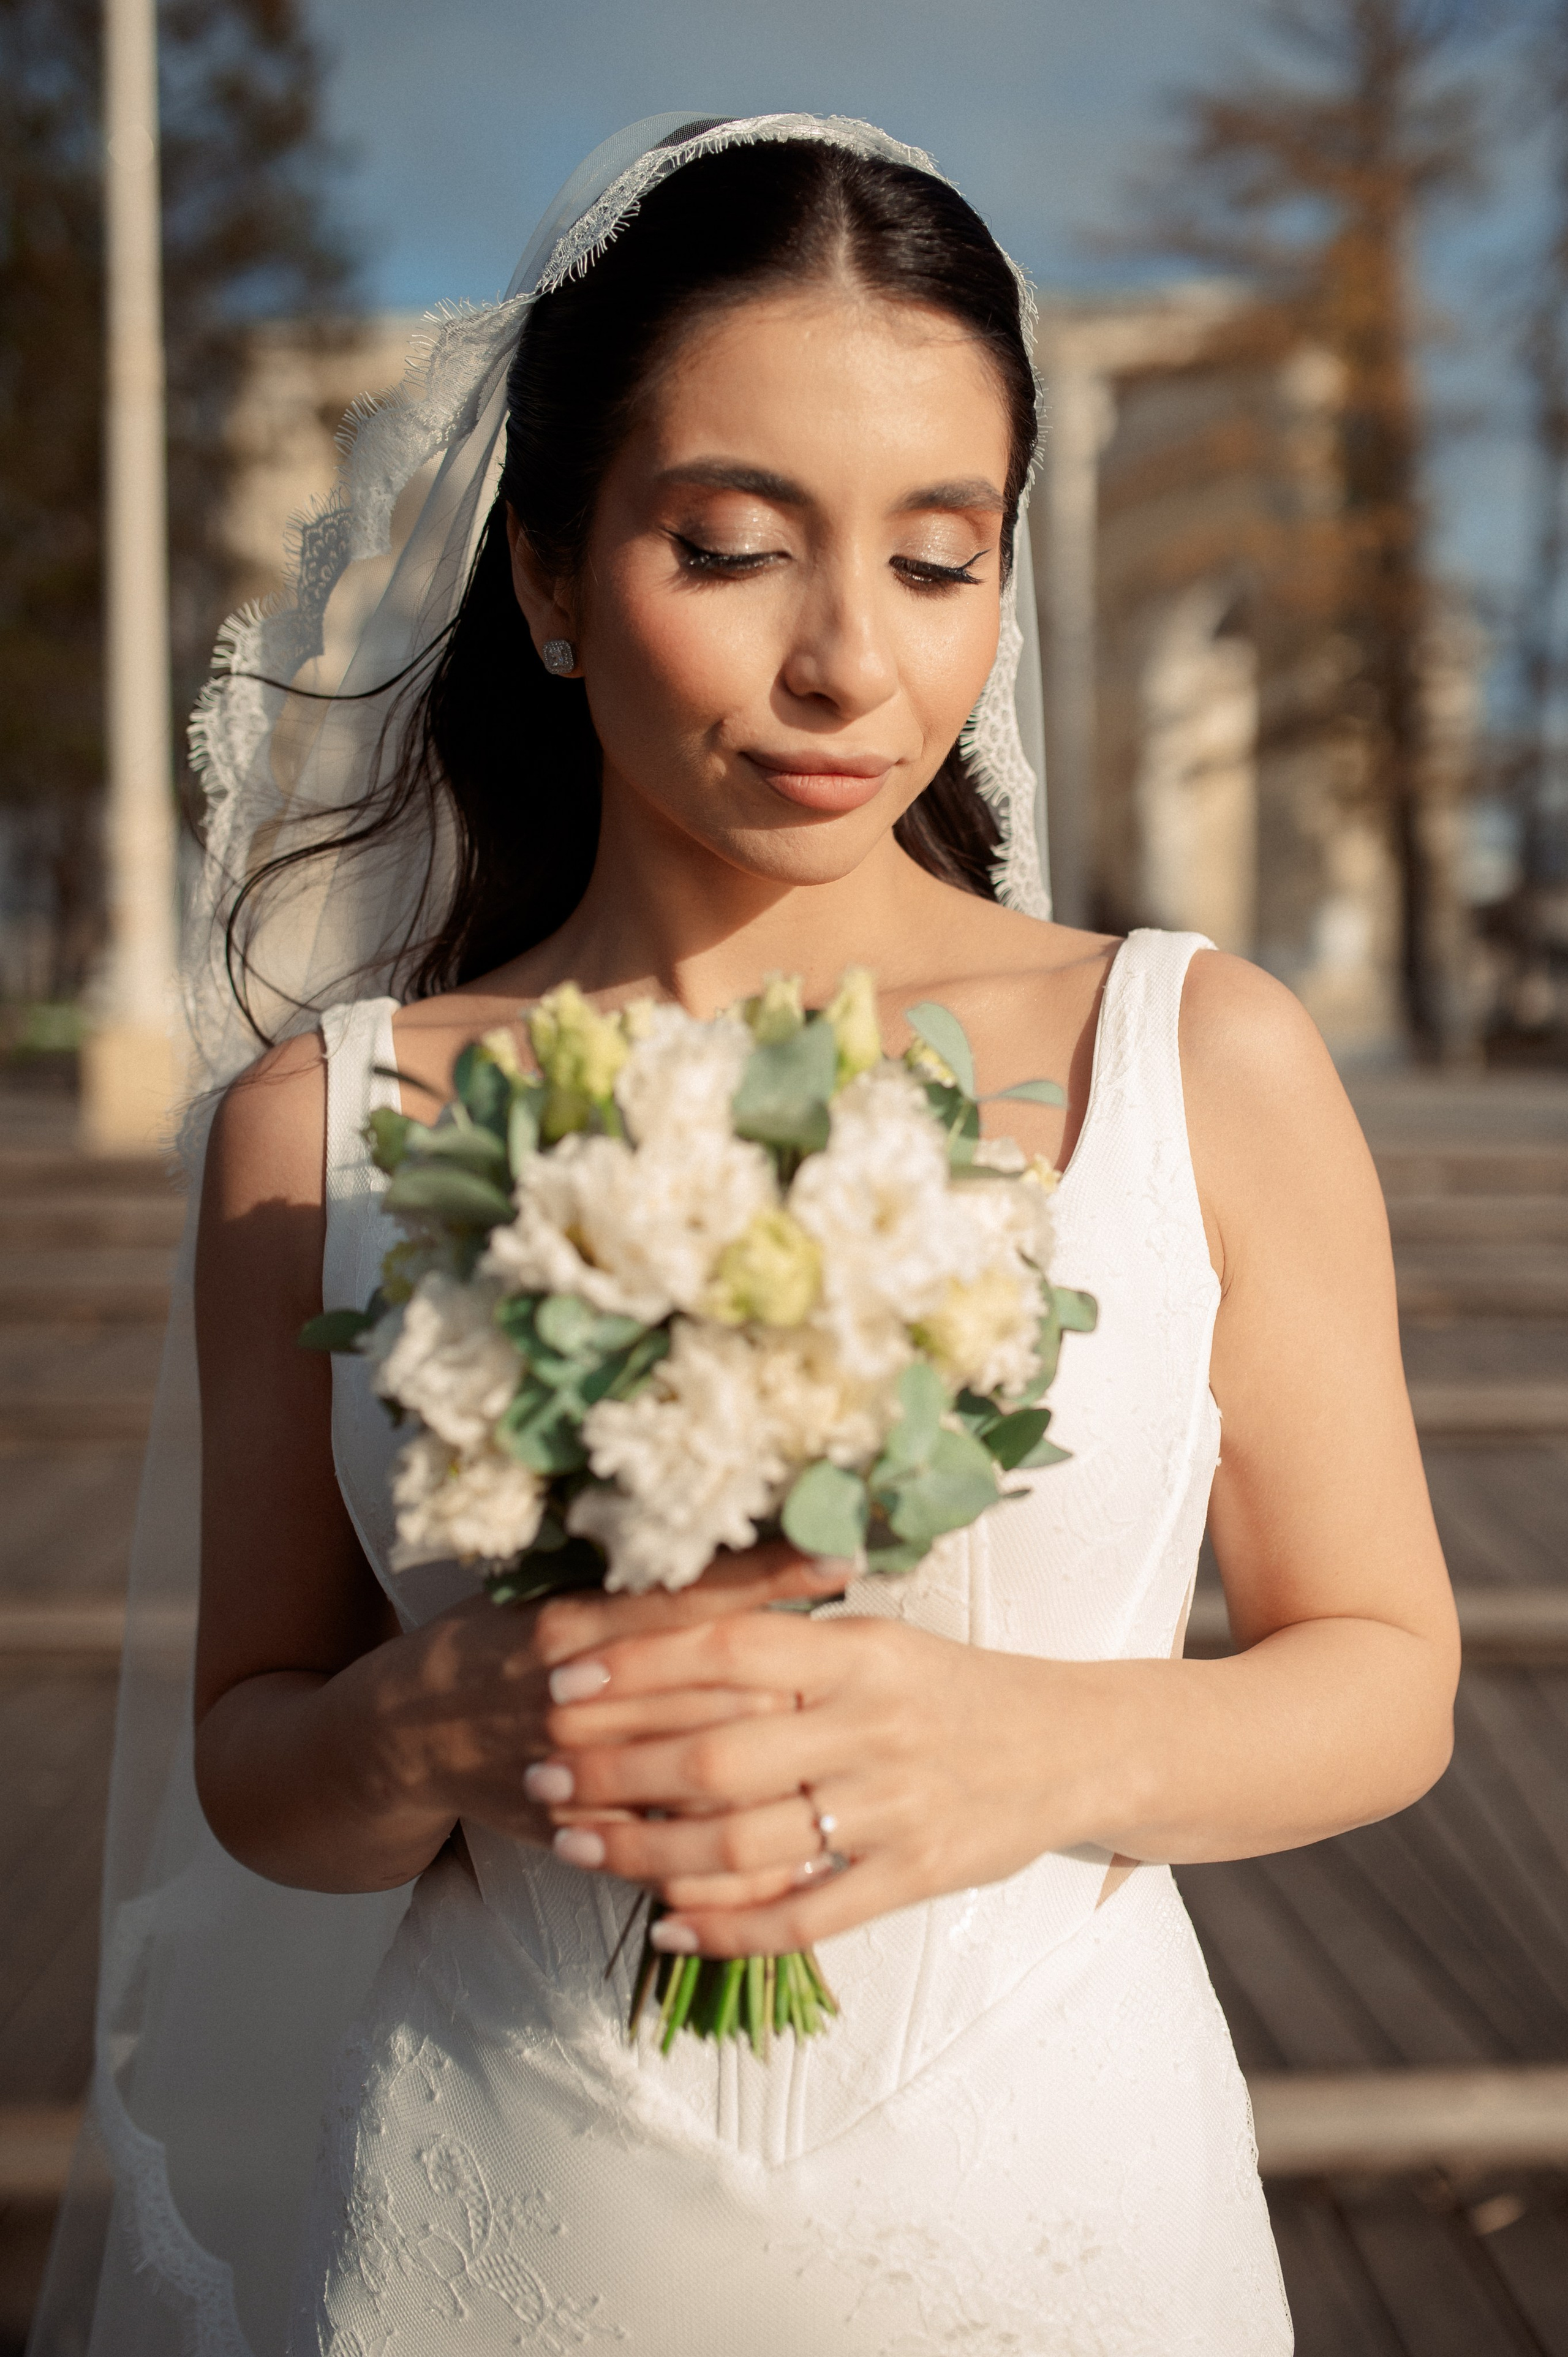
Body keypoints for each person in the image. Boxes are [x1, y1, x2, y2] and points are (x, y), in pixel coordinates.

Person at [37, 115, 1457, 2357]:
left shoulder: (1196, 1057)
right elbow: (257, 1760)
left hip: (1055, 2207)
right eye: (730, 545)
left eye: (936, 558)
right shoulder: (329, 1134)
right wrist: (435, 1728)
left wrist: (1039, 1748)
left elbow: (1387, 1672)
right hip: (506, 2205)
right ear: (546, 574)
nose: (850, 669)